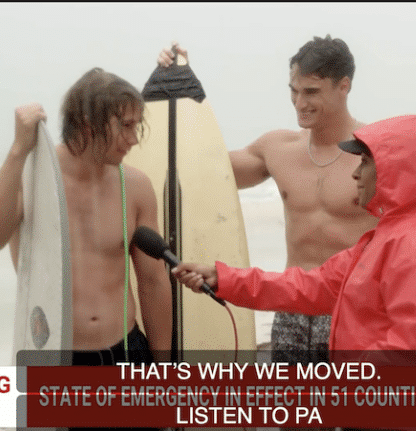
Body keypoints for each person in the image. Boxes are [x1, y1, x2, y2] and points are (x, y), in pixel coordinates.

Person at [172, 115, 416, 364]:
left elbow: (410, 353)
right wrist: (223, 278)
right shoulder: (386, 238)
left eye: (364, 162)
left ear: (398, 171)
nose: (355, 174)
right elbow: (310, 286)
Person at [158, 36, 378, 365]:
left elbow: (414, 234)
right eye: (294, 89)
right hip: (291, 308)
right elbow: (202, 169)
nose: (299, 102)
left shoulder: (375, 154)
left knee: (356, 415)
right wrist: (178, 85)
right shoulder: (278, 150)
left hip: (354, 308)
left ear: (343, 86)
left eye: (312, 91)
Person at [0, 68, 172, 372]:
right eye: (125, 126)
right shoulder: (33, 178)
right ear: (88, 122)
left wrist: (164, 367)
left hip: (126, 352)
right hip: (55, 355)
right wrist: (18, 150)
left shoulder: (134, 187)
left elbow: (153, 281)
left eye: (137, 126)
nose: (134, 139)